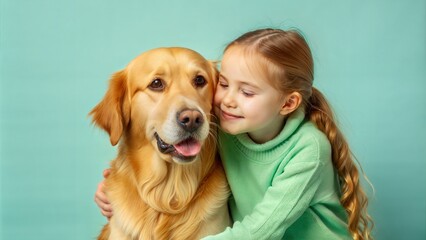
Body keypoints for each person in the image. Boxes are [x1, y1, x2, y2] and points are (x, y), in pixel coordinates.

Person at [95, 28, 374, 239]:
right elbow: (131, 164)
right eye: (157, 84)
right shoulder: (228, 131)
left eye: (200, 82)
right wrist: (110, 189)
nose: (191, 113)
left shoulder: (309, 149)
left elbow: (260, 230)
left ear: (288, 103)